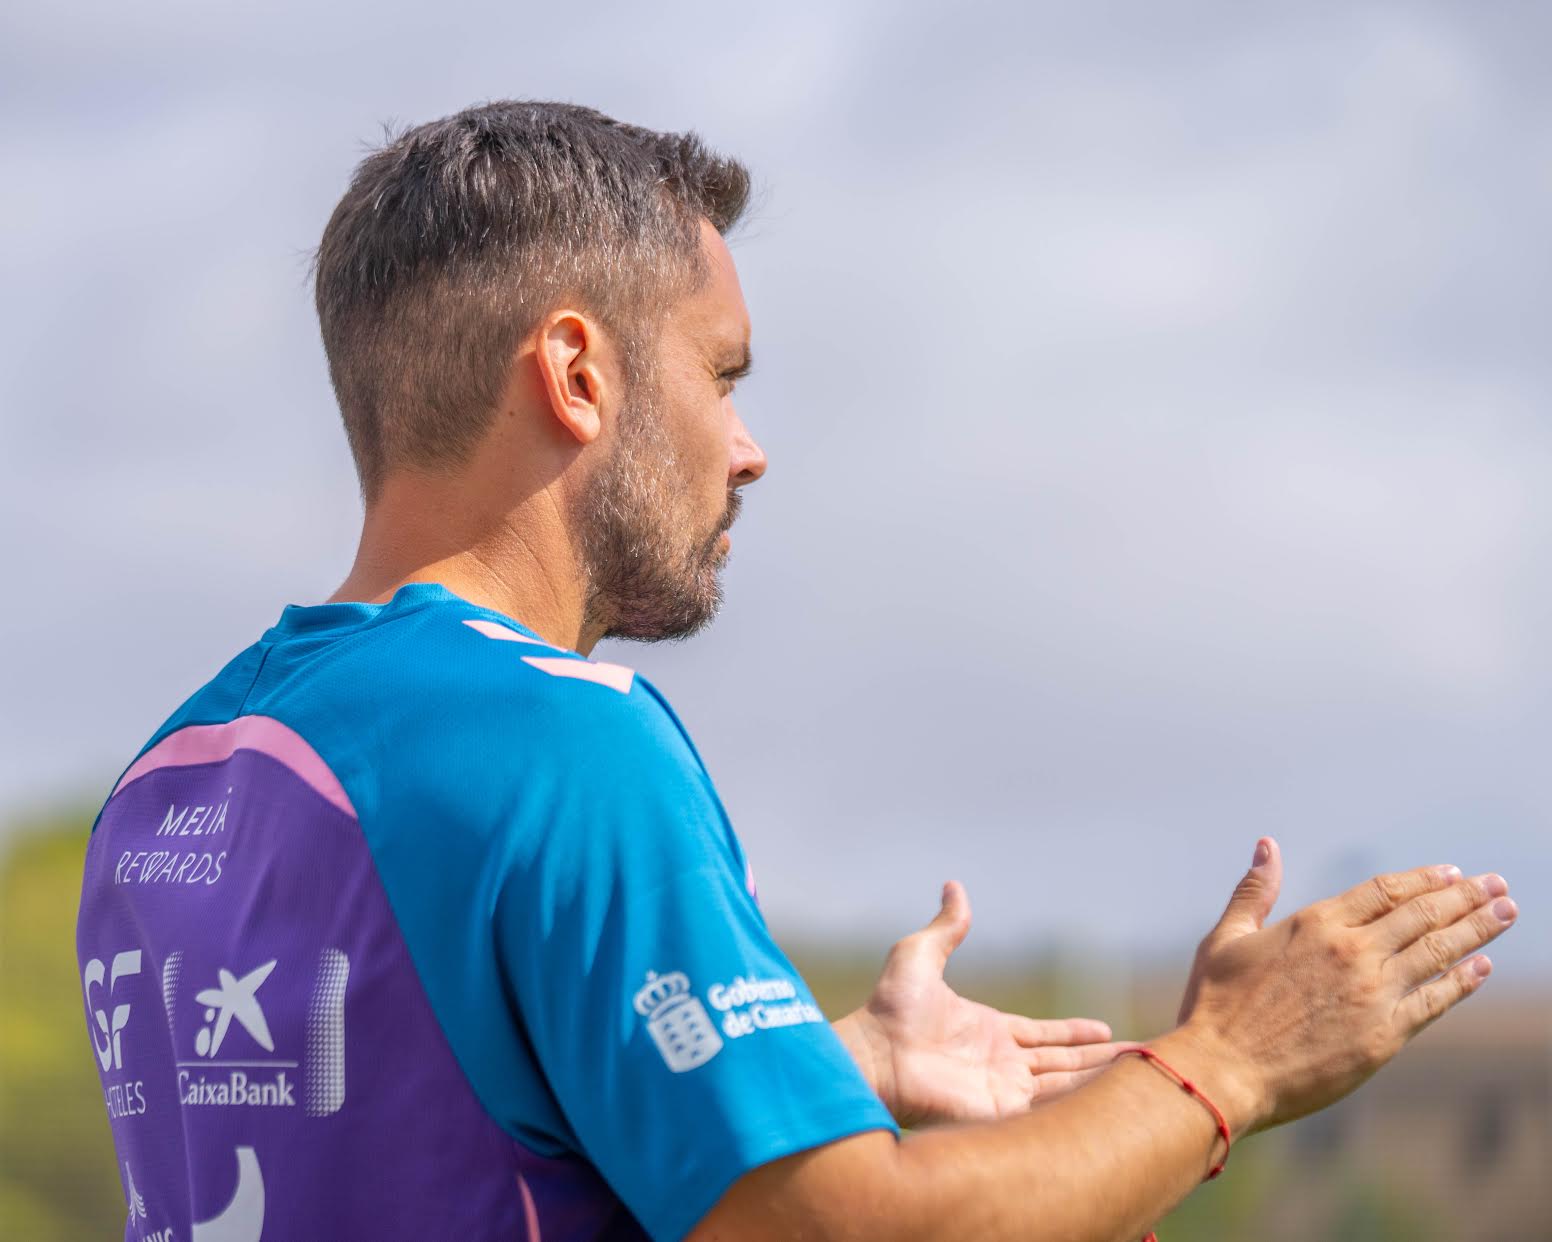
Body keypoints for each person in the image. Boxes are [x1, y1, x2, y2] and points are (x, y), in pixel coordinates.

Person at [76, 100, 1518, 1242]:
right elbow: (840, 1232)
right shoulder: (563, 741)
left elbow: (414, 1137)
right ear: (578, 375)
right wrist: (1234, 1061)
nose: (748, 445)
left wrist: (825, 1072)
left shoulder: (169, 776)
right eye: (722, 375)